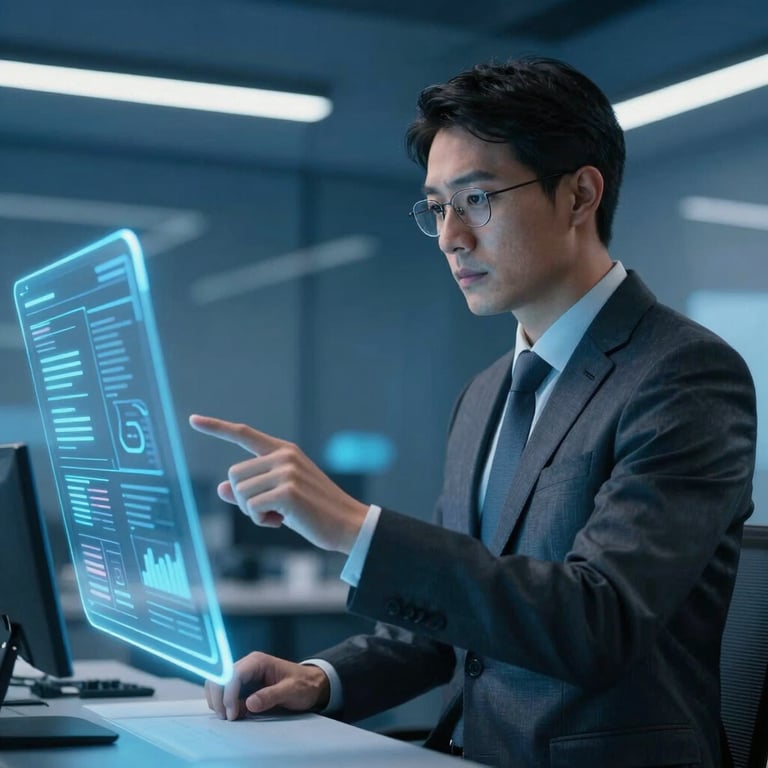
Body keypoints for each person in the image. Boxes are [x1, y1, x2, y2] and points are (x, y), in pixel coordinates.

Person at [189, 56, 757, 767]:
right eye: (437, 207)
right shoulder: (486, 392)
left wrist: (355, 528)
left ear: (579, 195)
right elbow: (451, 626)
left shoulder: (683, 373)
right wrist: (322, 679)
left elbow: (598, 622)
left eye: (477, 198)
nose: (451, 236)